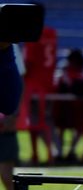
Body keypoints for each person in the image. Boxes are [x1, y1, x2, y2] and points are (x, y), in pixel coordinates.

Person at [21, 15, 57, 164]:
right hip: (48, 83)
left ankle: (40, 153)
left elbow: (28, 63)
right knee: (47, 120)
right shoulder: (51, 33)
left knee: (35, 122)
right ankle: (50, 152)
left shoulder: (32, 35)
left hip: (34, 86)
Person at [53, 48, 83, 163]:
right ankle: (61, 151)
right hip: (64, 115)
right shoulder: (65, 75)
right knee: (77, 124)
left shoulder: (79, 76)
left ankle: (67, 151)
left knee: (82, 125)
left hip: (76, 116)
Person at [0, 42, 20, 190]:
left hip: (3, 123)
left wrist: (13, 115)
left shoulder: (9, 44)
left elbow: (19, 80)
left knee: (8, 177)